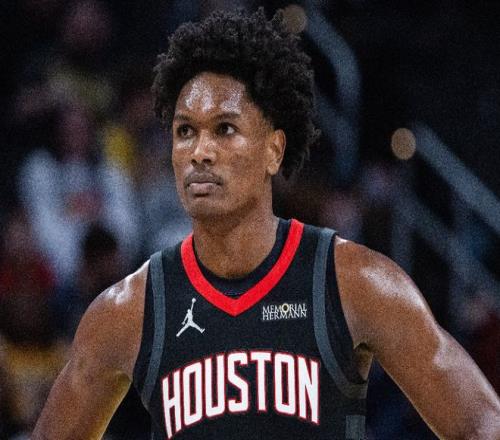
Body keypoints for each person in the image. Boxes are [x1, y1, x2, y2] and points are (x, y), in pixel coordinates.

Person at [32, 8, 500, 440]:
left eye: (225, 129)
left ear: (274, 150)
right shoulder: (128, 310)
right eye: (185, 131)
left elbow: (481, 423)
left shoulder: (356, 283)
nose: (200, 151)